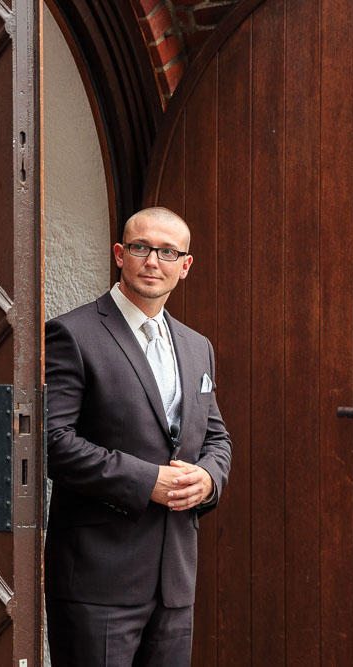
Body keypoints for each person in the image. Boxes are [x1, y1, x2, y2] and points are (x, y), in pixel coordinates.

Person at [44, 207, 232, 666]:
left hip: (174, 582)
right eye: (141, 247)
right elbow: (54, 442)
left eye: (168, 252)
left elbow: (217, 439)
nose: (153, 261)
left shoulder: (197, 346)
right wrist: (148, 481)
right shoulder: (72, 333)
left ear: (185, 266)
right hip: (97, 581)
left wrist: (207, 480)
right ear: (119, 255)